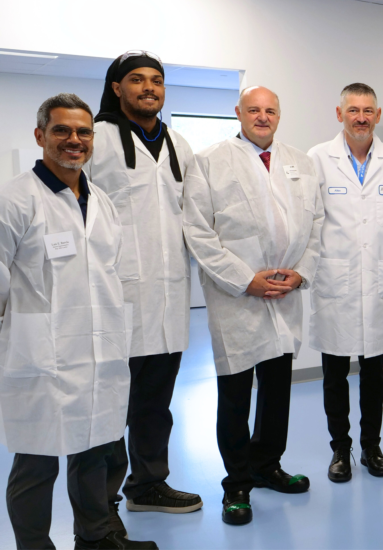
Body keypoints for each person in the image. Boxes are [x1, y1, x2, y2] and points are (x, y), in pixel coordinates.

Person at [1, 94, 157, 550]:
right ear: (40, 136)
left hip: (100, 352)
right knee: (36, 462)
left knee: (97, 452)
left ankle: (96, 538)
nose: (74, 140)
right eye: (62, 131)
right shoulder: (16, 200)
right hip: (41, 357)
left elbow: (110, 274)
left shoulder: (102, 202)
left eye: (83, 132)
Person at [183, 86, 324, 525]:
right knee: (236, 394)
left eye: (270, 111)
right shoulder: (209, 162)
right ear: (238, 113)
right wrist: (246, 279)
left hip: (284, 291)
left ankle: (267, 466)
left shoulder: (300, 162)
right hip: (237, 297)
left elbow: (317, 223)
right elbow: (198, 232)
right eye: (254, 110)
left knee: (278, 389)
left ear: (279, 116)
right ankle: (237, 483)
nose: (262, 117)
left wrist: (302, 272)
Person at [85, 51, 203, 531]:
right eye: (137, 80)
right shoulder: (96, 139)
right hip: (115, 298)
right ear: (117, 87)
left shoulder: (179, 143)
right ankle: (102, 505)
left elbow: (195, 217)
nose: (148, 88)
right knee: (113, 404)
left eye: (156, 80)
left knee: (156, 403)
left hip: (170, 297)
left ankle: (148, 485)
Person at [308, 83, 383, 482]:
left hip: (378, 281)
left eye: (368, 110)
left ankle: (371, 446)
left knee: (374, 374)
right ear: (339, 114)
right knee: (334, 374)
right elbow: (309, 221)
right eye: (353, 110)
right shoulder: (317, 158)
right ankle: (340, 449)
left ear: (378, 115)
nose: (361, 117)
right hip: (334, 281)